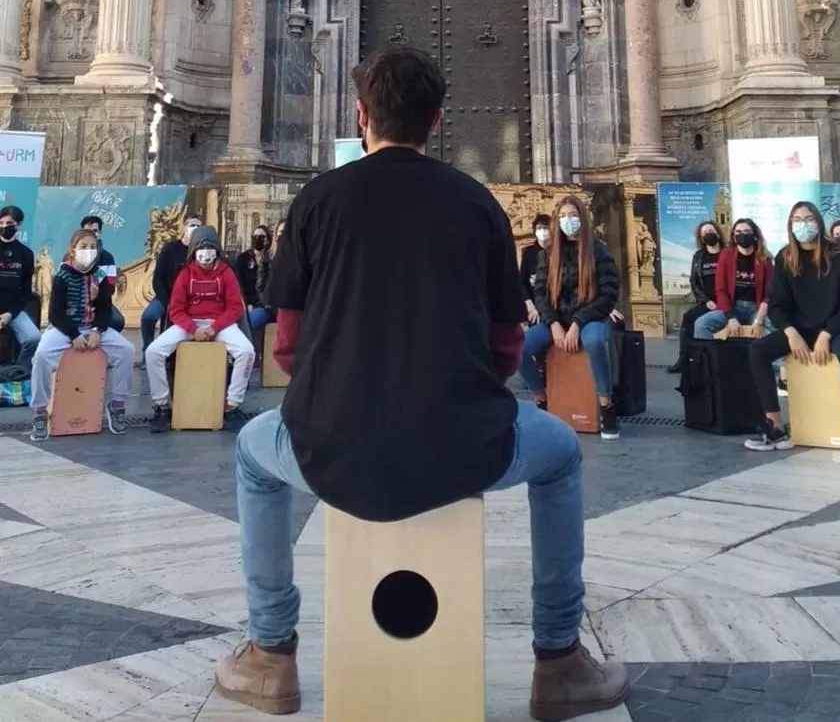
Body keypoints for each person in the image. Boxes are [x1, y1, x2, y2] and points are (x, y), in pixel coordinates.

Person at [213, 47, 628, 718]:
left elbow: (286, 344)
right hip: (463, 444)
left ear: (360, 114)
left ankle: (270, 653)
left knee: (252, 457)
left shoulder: (316, 200)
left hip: (331, 447)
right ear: (437, 120)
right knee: (559, 457)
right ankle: (559, 661)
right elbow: (502, 346)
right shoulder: (479, 206)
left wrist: (347, 379)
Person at [745, 201, 840, 455]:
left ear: (818, 222)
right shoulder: (785, 258)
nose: (803, 225)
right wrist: (790, 333)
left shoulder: (839, 258)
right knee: (758, 350)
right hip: (799, 329)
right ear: (790, 225)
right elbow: (777, 303)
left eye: (808, 218)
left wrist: (826, 334)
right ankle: (776, 428)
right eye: (797, 220)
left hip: (834, 327)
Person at [516, 197, 621, 440]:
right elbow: (540, 292)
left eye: (572, 215)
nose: (568, 221)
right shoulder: (550, 253)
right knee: (519, 348)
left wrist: (577, 322)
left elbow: (608, 294)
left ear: (582, 218)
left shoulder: (599, 250)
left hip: (590, 317)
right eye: (562, 216)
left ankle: (607, 406)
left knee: (594, 341)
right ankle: (542, 399)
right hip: (556, 319)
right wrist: (553, 323)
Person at [144, 225, 255, 433]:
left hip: (219, 324)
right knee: (153, 352)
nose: (206, 251)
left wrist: (214, 328)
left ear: (217, 249)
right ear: (193, 249)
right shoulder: (185, 274)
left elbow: (234, 308)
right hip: (189, 323)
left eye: (210, 246)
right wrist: (193, 329)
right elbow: (175, 309)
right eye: (201, 246)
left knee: (246, 351)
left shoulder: (226, 273)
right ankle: (162, 406)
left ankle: (232, 405)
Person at [29, 228, 134, 442]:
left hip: (93, 328)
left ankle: (117, 405)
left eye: (92, 247)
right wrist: (74, 334)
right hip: (66, 328)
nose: (88, 250)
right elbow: (55, 313)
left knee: (127, 350)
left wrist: (97, 330)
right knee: (41, 356)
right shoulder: (63, 275)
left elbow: (106, 310)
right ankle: (40, 411)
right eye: (83, 246)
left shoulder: (100, 276)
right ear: (73, 249)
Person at [139, 212, 202, 367]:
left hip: (189, 299)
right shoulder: (170, 248)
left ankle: (170, 357)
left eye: (198, 226)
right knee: (148, 317)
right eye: (192, 225)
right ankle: (147, 352)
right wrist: (166, 301)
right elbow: (157, 278)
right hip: (166, 295)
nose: (195, 228)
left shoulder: (201, 251)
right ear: (184, 227)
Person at [693, 217, 772, 339]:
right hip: (733, 307)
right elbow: (721, 290)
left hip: (756, 308)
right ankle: (712, 357)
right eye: (738, 232)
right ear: (734, 237)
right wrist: (731, 317)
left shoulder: (764, 259)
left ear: (755, 236)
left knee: (774, 328)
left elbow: (769, 294)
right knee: (701, 324)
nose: (742, 235)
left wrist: (759, 320)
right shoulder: (726, 255)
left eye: (746, 232)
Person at [667, 221, 724, 375]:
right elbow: (694, 282)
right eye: (704, 233)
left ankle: (708, 360)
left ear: (718, 233)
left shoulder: (727, 254)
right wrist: (707, 301)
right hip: (708, 302)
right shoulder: (699, 257)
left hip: (726, 302)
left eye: (710, 231)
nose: (708, 234)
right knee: (688, 318)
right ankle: (685, 360)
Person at [0, 205, 40, 372]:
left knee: (34, 338)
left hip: (12, 311)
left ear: (18, 225)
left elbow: (25, 291)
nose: (3, 226)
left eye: (8, 222)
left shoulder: (26, 254)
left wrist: (10, 314)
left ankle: (17, 374)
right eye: (0, 222)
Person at [80, 214, 125, 333]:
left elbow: (110, 289)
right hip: (75, 301)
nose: (91, 234)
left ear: (100, 233)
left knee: (117, 321)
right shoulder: (69, 256)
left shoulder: (108, 258)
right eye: (87, 231)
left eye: (95, 231)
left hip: (101, 301)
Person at [236, 225, 275, 332]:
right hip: (247, 304)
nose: (258, 239)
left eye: (261, 236)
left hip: (265, 306)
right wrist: (247, 303)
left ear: (267, 240)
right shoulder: (243, 258)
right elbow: (238, 284)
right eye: (255, 236)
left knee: (253, 319)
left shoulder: (272, 260)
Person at [519, 213, 551, 326]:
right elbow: (522, 282)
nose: (542, 231)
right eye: (539, 228)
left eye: (546, 228)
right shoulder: (529, 252)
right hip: (535, 310)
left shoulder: (559, 251)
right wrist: (530, 306)